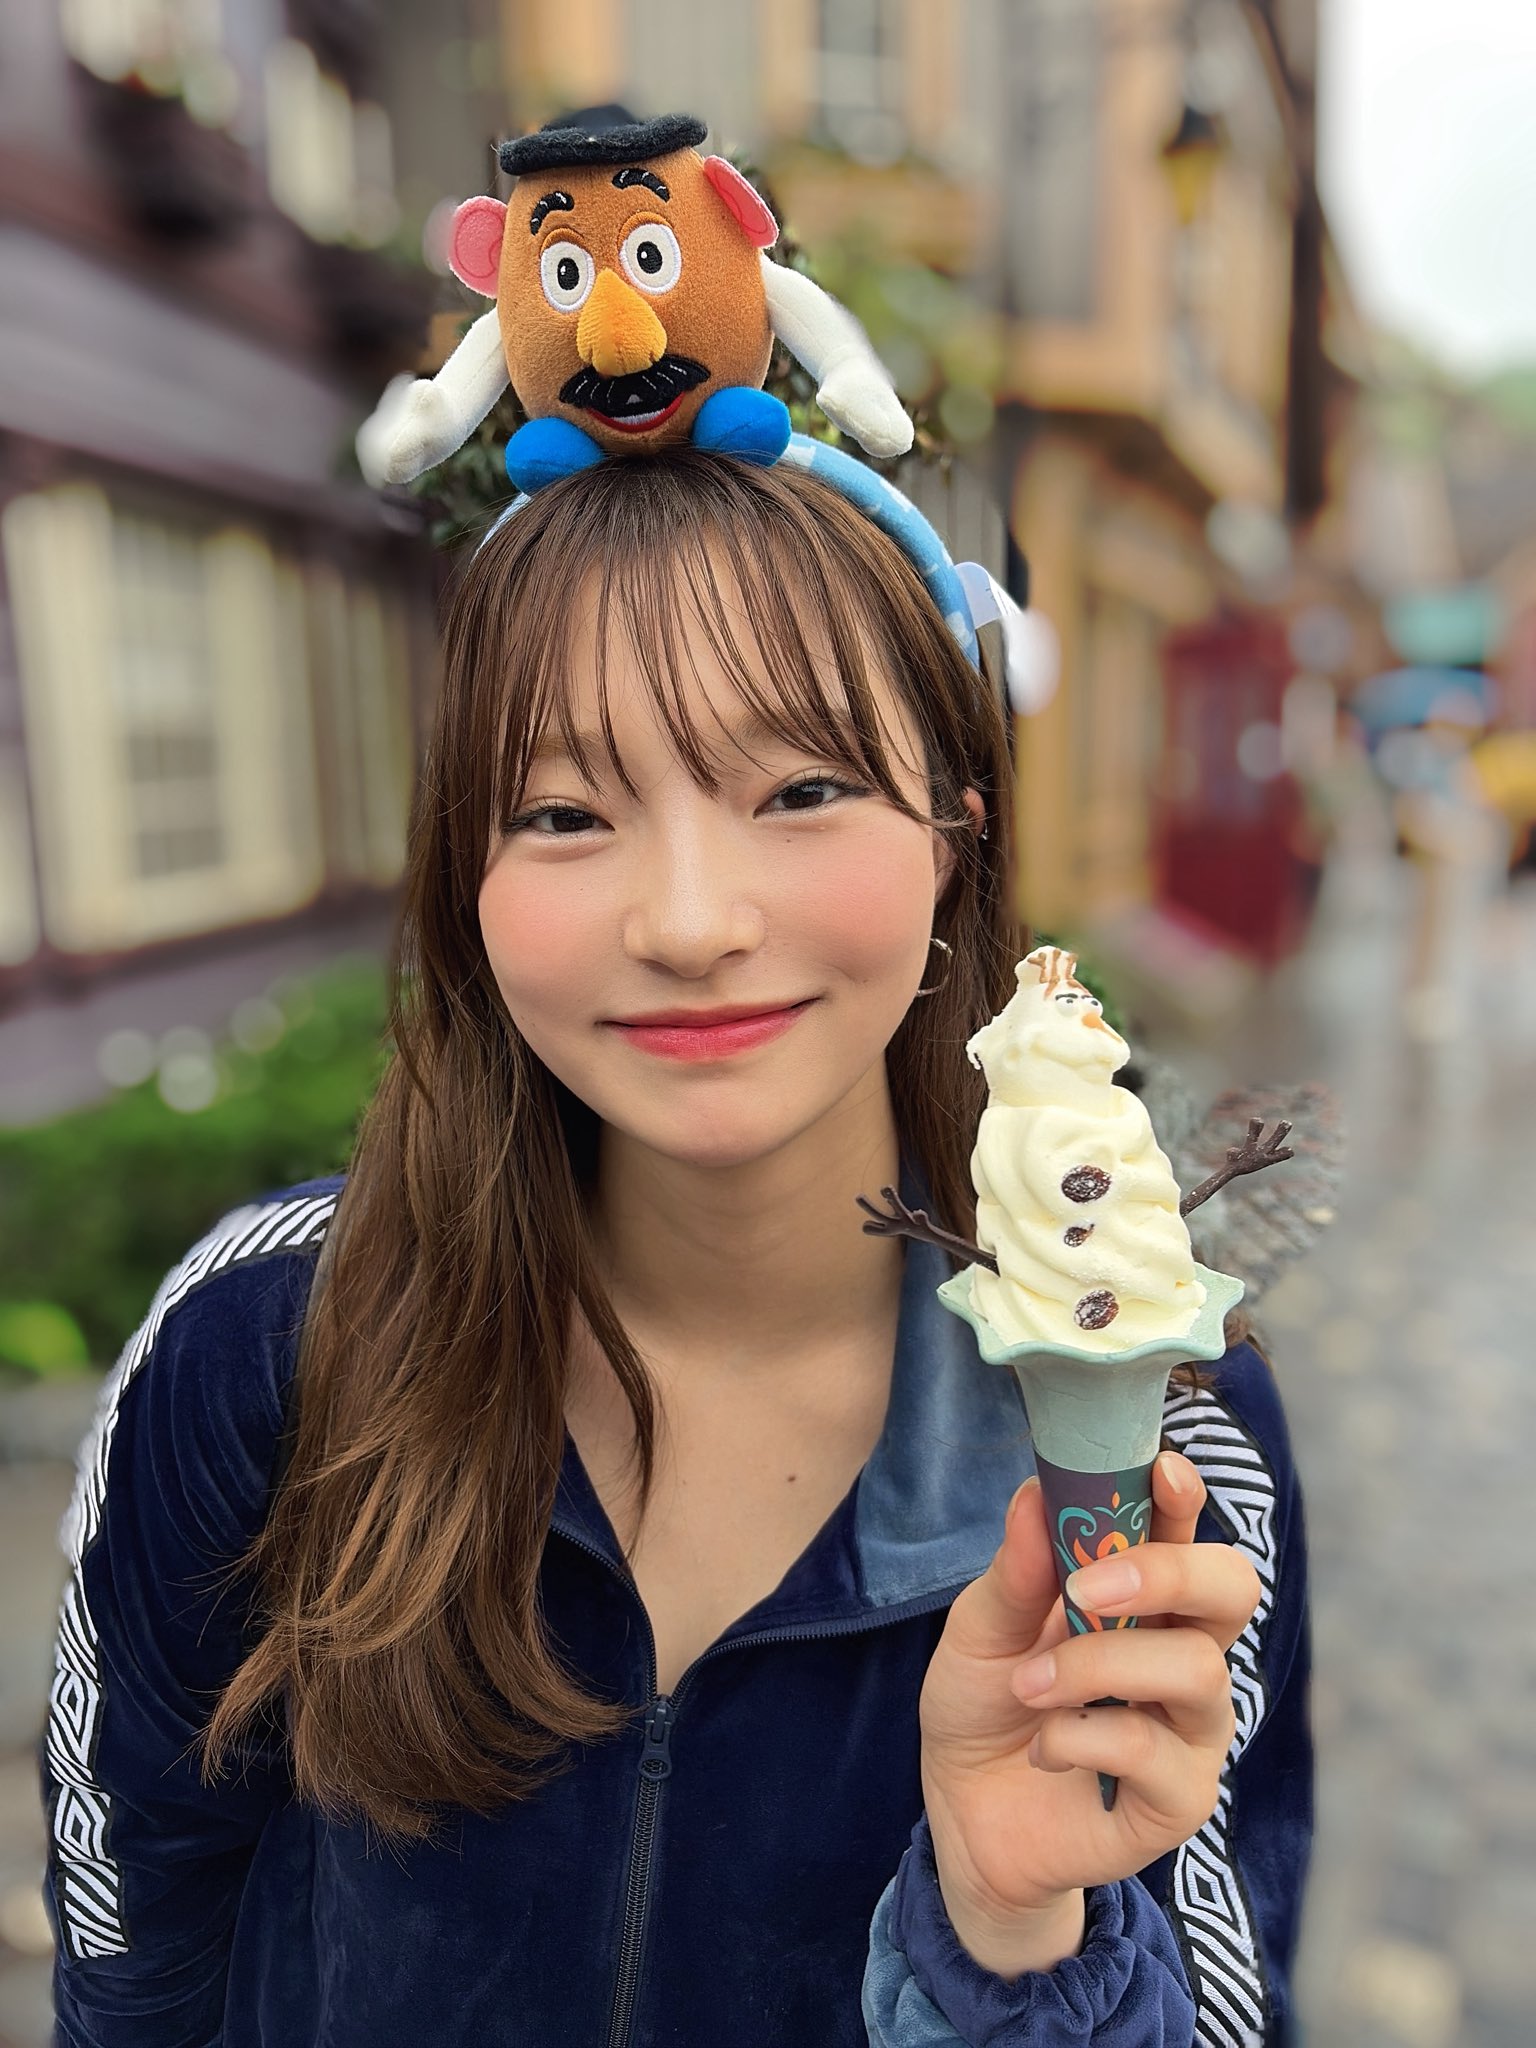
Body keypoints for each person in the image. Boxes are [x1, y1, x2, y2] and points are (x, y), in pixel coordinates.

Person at [43, 451, 1312, 2046]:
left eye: (803, 790)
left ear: (956, 834)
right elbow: (137, 1951)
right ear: (468, 878)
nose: (693, 923)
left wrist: (1007, 1943)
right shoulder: (262, 1343)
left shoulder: (1175, 1439)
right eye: (565, 813)